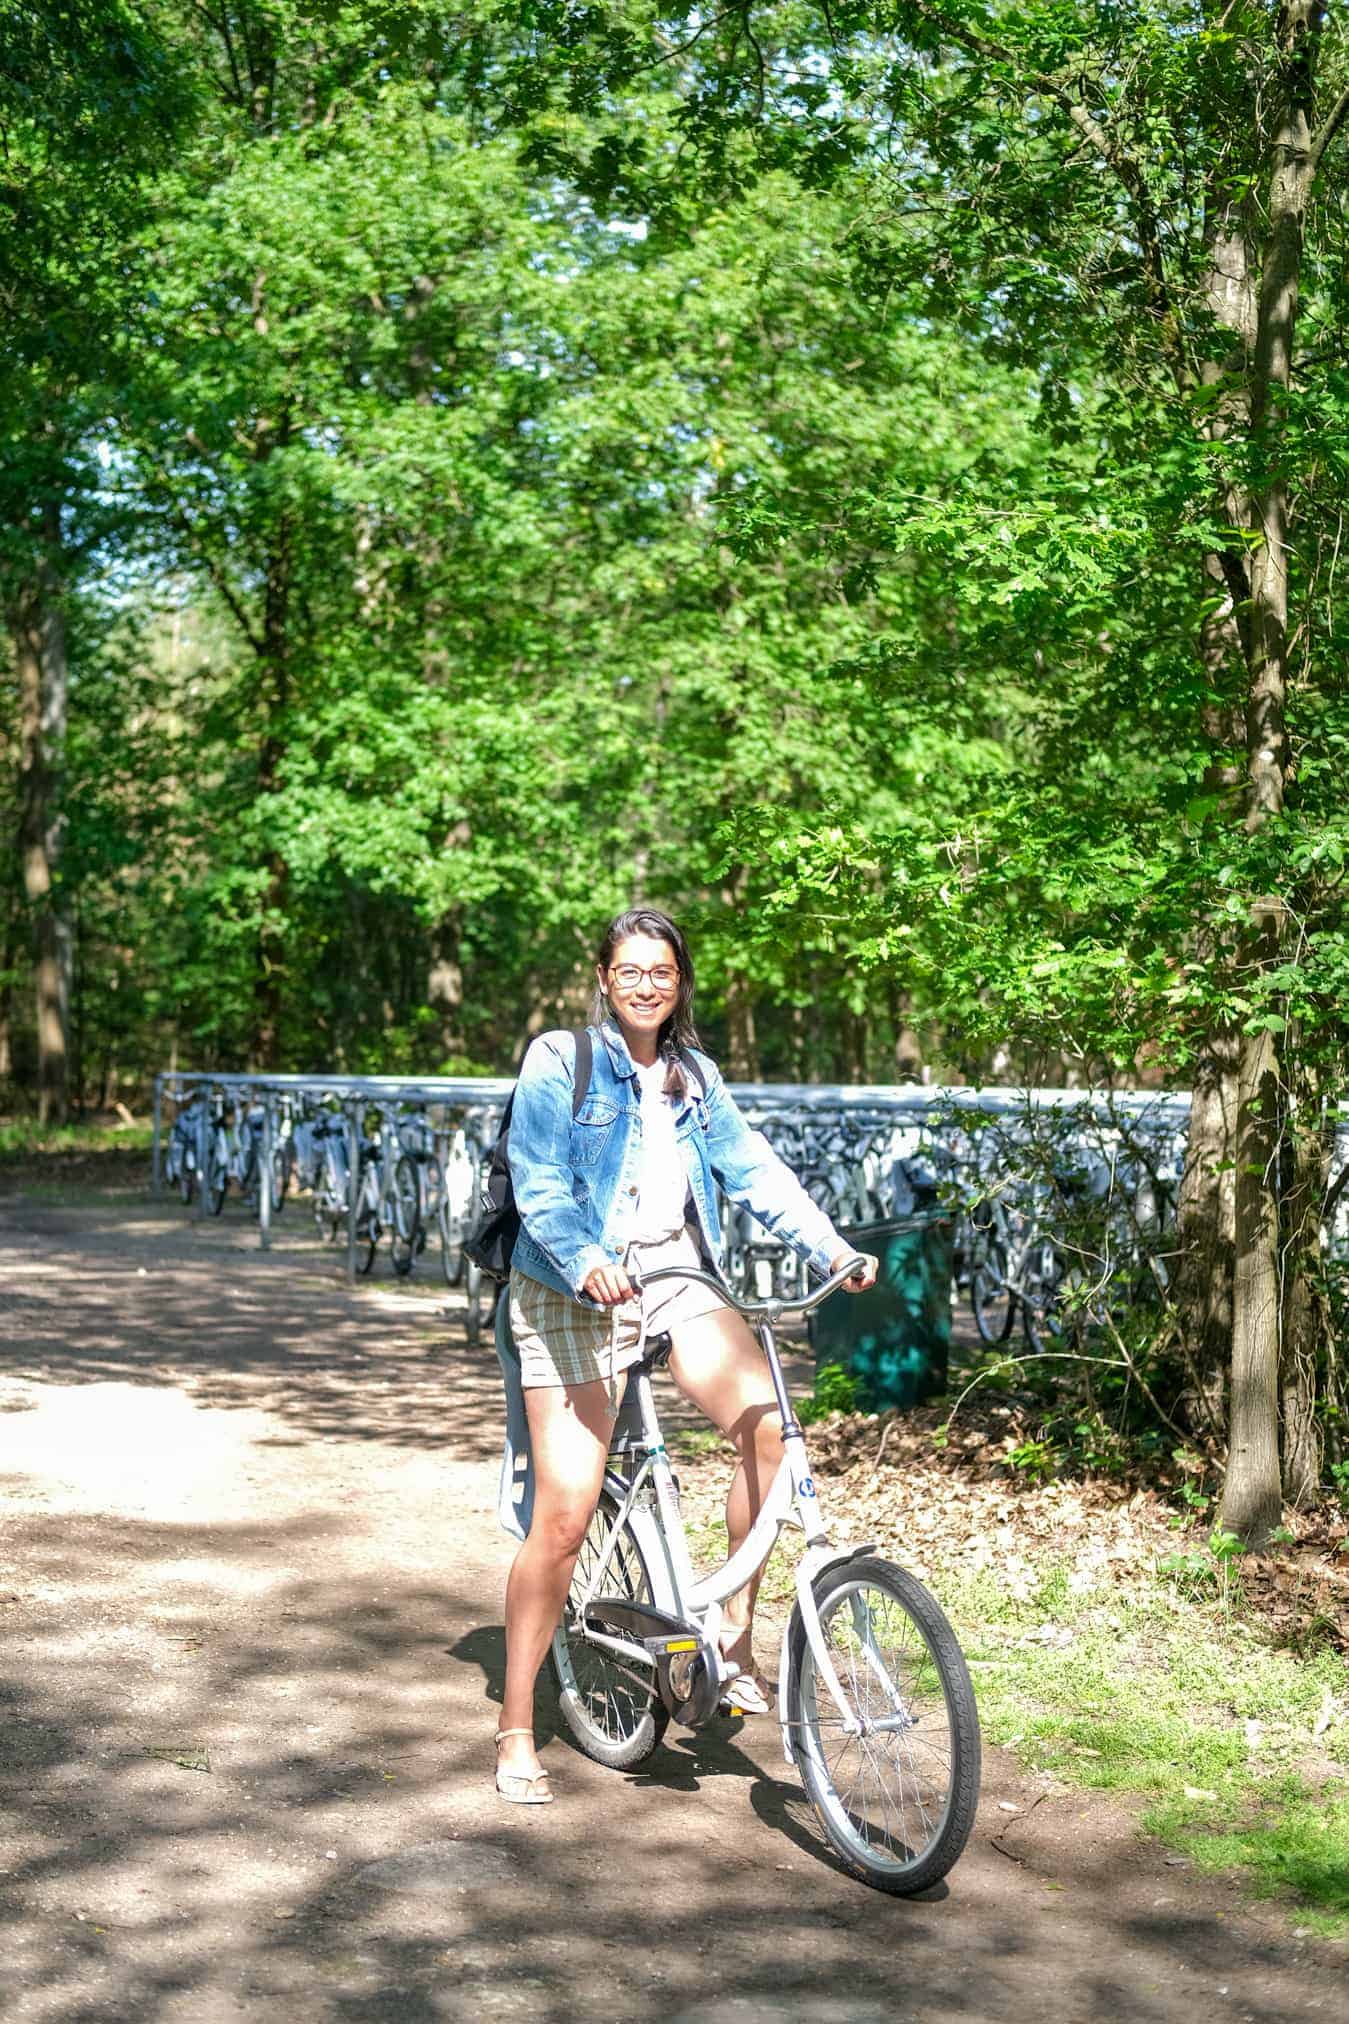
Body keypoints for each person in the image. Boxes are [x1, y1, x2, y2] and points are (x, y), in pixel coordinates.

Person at [492, 907, 877, 1804]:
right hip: (566, 1286)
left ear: (678, 982)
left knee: (769, 1431)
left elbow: (753, 1171)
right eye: (629, 969)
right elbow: (538, 1177)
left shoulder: (694, 1076)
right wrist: (583, 1258)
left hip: (670, 1274)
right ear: (602, 977)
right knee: (565, 1514)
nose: (645, 983)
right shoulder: (561, 1059)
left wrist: (831, 1249)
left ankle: (730, 1638)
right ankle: (516, 1723)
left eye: (661, 971)